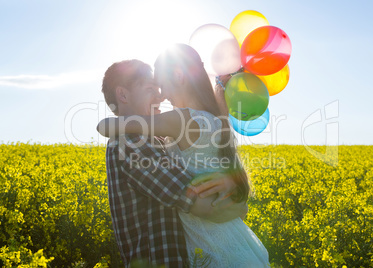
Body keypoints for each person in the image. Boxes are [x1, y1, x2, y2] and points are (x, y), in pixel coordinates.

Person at [98, 44, 270, 267]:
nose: (161, 97)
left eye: (160, 87)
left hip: (211, 249)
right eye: (152, 89)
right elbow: (200, 204)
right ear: (122, 94)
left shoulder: (170, 130)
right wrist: (239, 206)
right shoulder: (130, 143)